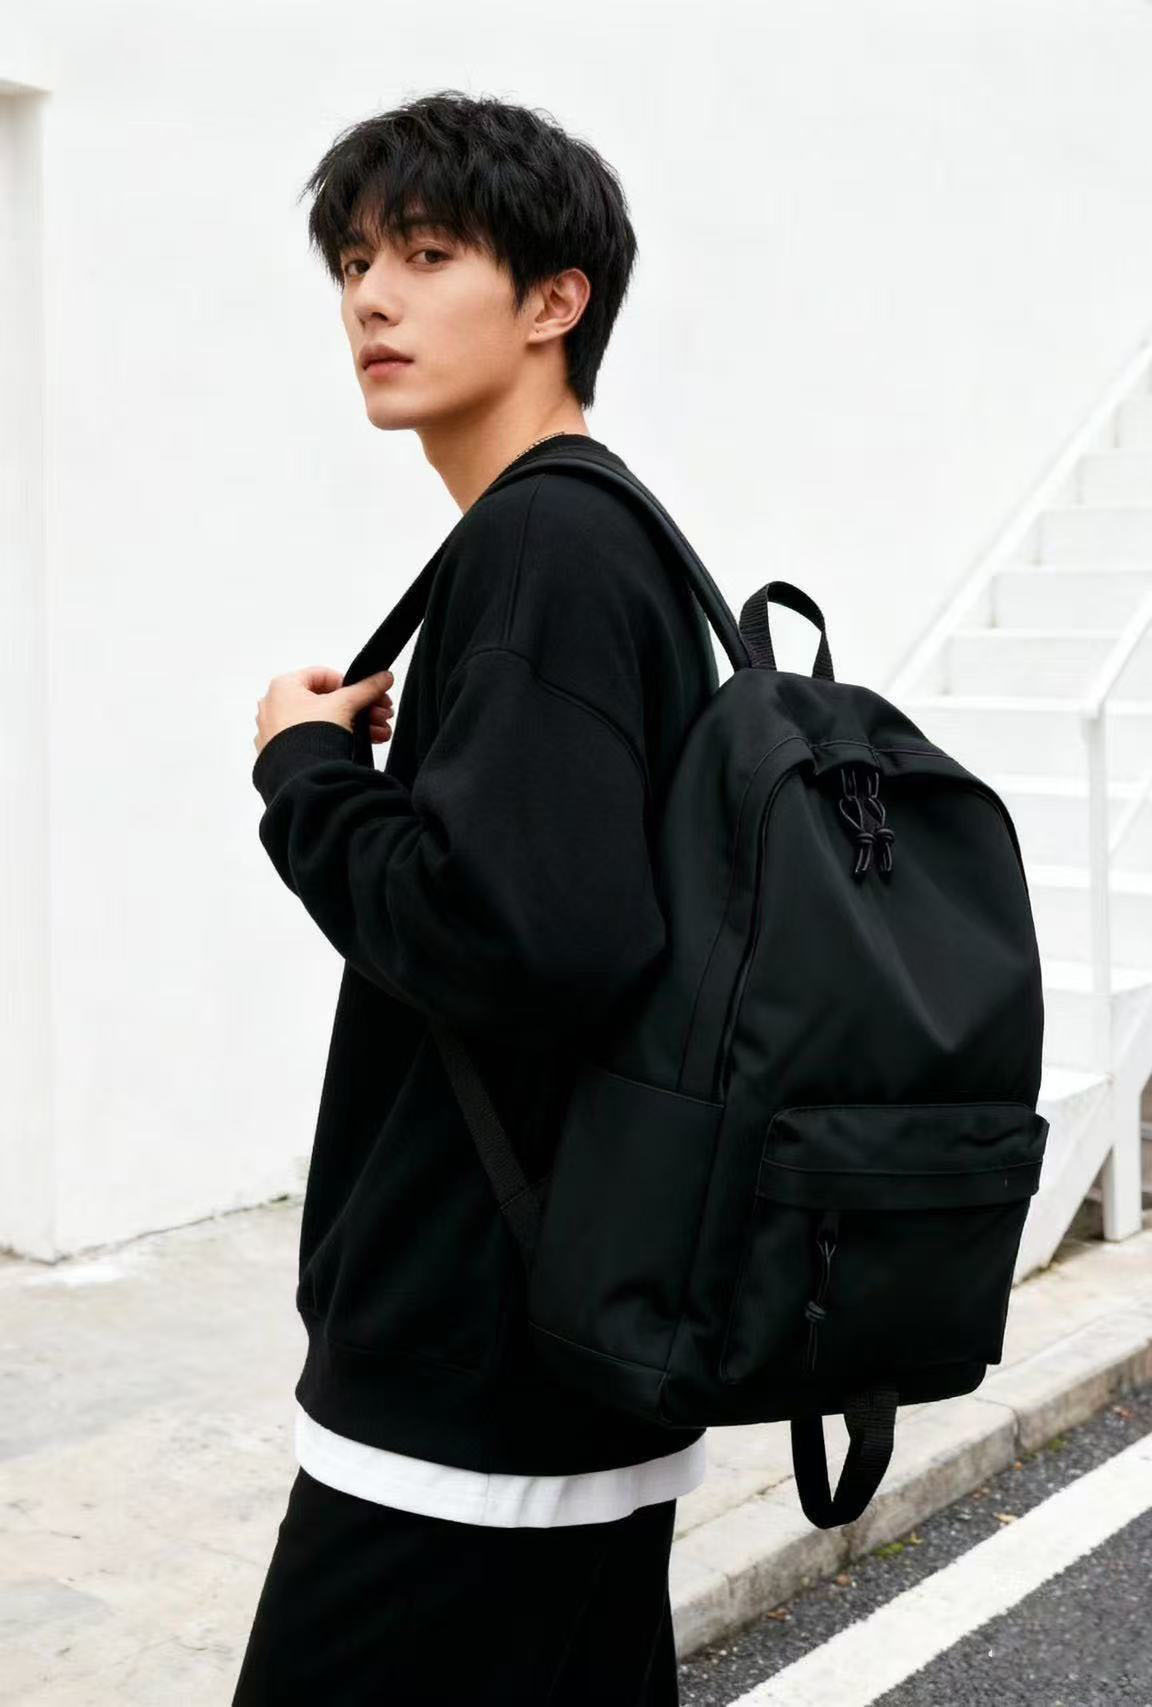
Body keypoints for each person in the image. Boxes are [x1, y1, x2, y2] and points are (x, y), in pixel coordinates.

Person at [232, 88, 719, 1704]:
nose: (372, 298)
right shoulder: (597, 537)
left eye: (429, 255)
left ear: (555, 299)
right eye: (355, 263)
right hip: (564, 1346)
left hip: (471, 1385)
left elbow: (529, 942)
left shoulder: (546, 552)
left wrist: (305, 775)